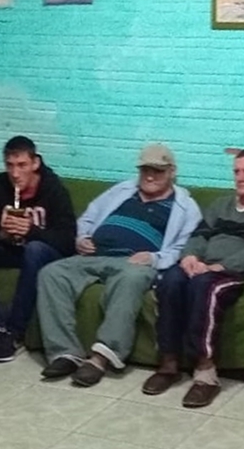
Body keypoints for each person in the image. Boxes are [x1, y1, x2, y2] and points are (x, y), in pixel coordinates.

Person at [37, 142, 200, 387]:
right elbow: (89, 216)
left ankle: (100, 358)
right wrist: (82, 238)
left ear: (172, 171)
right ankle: (64, 353)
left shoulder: (185, 206)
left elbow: (184, 247)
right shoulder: (122, 190)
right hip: (93, 255)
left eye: (157, 171)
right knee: (51, 272)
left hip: (134, 263)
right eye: (145, 170)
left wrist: (154, 258)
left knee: (130, 279)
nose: (150, 176)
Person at [144, 148, 244, 408]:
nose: (240, 177)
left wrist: (219, 267)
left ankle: (205, 372)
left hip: (234, 272)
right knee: (171, 280)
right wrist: (190, 257)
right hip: (203, 265)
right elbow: (199, 235)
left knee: (204, 287)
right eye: (237, 171)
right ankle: (168, 363)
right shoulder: (220, 204)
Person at [0, 135, 76, 362]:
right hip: (6, 249)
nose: (15, 173)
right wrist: (0, 233)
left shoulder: (53, 190)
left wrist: (31, 230)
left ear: (35, 163)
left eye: (22, 165)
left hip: (40, 253)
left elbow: (68, 240)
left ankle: (15, 332)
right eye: (10, 165)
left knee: (34, 249)